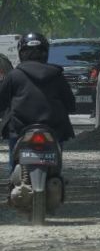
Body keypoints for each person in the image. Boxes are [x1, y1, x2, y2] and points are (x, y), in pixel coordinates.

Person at [0, 33, 76, 173]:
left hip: (19, 129)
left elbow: (2, 101)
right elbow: (70, 103)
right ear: (45, 53)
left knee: (13, 161)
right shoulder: (57, 74)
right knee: (57, 163)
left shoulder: (14, 75)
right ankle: (55, 174)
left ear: (21, 53)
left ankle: (13, 176)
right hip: (53, 129)